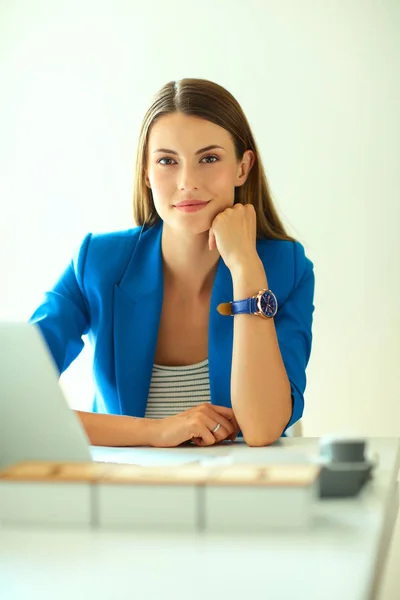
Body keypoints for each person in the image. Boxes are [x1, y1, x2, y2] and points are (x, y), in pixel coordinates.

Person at [29, 78, 315, 449]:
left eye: (209, 159)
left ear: (243, 168)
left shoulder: (287, 267)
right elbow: (13, 400)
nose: (187, 182)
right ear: (146, 173)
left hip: (238, 498)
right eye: (167, 161)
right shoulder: (97, 262)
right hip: (124, 496)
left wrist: (246, 269)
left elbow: (261, 429)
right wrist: (158, 430)